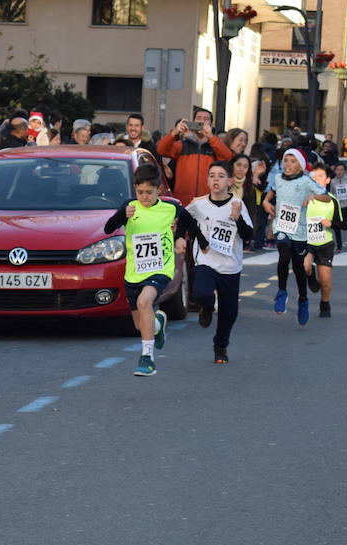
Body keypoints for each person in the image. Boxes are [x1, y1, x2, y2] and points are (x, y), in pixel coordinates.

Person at [103, 165, 199, 375]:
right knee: (141, 325)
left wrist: (180, 237)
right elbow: (108, 228)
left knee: (144, 302)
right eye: (140, 192)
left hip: (160, 267)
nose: (144, 197)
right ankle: (157, 323)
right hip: (134, 272)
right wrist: (122, 215)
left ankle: (147, 358)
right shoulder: (130, 207)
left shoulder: (170, 208)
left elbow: (190, 223)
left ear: (159, 190)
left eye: (149, 192)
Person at [187, 161, 250, 363]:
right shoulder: (198, 204)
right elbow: (183, 219)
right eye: (212, 175)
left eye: (221, 176)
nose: (216, 179)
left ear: (229, 181)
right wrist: (178, 235)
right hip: (206, 260)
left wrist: (237, 218)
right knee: (201, 293)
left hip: (230, 265)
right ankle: (206, 306)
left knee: (229, 312)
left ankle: (220, 346)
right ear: (207, 180)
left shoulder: (237, 204)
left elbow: (248, 236)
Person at [262, 148, 327, 324]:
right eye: (286, 160)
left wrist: (314, 196)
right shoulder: (278, 178)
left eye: (293, 161)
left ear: (300, 165)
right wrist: (266, 202)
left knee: (299, 268)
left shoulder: (306, 181)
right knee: (284, 255)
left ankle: (303, 300)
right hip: (282, 226)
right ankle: (282, 292)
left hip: (300, 230)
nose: (288, 164)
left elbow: (326, 196)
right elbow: (271, 192)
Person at [156, 115, 233, 206]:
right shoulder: (182, 145)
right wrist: (174, 132)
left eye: (206, 119)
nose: (201, 121)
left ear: (211, 125)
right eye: (198, 118)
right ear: (192, 122)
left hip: (208, 202)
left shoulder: (214, 146)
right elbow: (161, 150)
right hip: (184, 201)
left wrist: (211, 136)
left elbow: (227, 156)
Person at [300, 163, 338, 318]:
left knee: (325, 279)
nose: (316, 179)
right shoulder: (304, 198)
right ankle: (310, 277)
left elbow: (343, 224)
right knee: (305, 266)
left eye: (320, 176)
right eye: (313, 176)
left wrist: (331, 223)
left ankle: (325, 303)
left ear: (327, 180)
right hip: (307, 241)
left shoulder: (332, 200)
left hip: (325, 242)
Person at [329, 160, 347, 252]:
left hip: (346, 206)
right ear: (335, 171)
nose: (339, 172)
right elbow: (331, 193)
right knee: (336, 227)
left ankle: (343, 225)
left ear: (345, 171)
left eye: (341, 170)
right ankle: (339, 246)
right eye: (337, 170)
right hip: (337, 207)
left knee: (344, 226)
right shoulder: (333, 182)